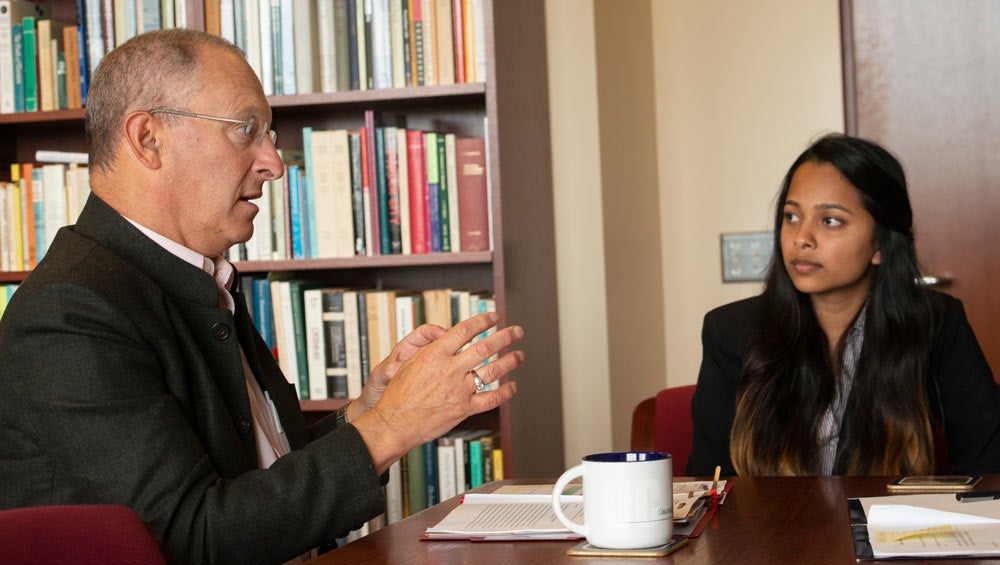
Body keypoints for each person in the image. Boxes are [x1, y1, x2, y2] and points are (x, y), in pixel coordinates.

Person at [0, 29, 524, 564]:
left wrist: (368, 411)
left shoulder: (193, 278)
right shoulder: (70, 313)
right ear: (148, 139)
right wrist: (392, 427)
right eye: (246, 130)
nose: (274, 162)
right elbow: (193, 538)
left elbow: (253, 478)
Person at [687, 133, 1000, 477]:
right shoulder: (730, 331)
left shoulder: (935, 324)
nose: (801, 238)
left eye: (830, 220)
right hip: (767, 530)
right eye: (791, 217)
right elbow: (711, 483)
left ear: (880, 243)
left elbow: (988, 465)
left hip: (885, 528)